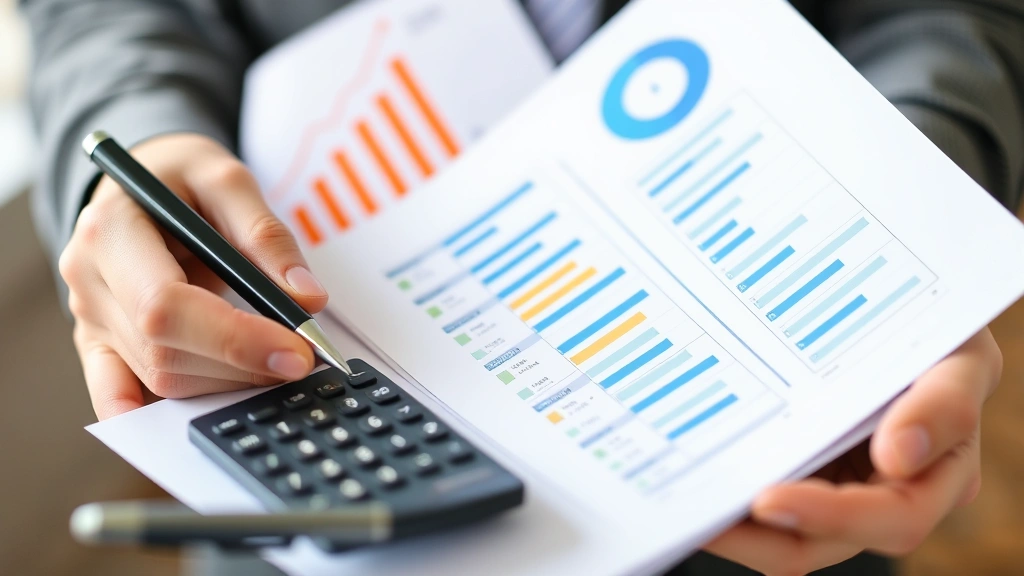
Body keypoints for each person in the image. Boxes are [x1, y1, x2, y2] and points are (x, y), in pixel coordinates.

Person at [21, 0, 1023, 574]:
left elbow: (948, 16)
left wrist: (900, 217)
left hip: (758, 456)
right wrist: (132, 141)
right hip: (320, 441)